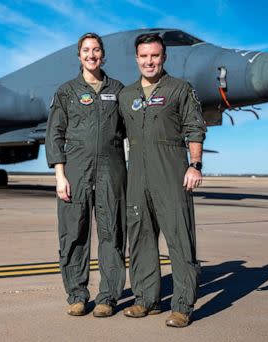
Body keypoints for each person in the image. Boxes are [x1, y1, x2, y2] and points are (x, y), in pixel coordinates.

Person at [118, 33, 206, 327]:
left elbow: (195, 127)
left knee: (180, 239)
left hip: (171, 172)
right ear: (136, 59)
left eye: (154, 56)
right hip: (137, 174)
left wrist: (195, 165)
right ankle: (146, 299)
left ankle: (182, 306)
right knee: (141, 238)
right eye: (144, 56)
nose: (149, 61)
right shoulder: (126, 95)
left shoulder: (180, 89)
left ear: (164, 57)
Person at [45, 33, 126, 317]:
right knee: (73, 235)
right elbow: (54, 134)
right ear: (79, 56)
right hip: (76, 172)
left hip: (111, 171)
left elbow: (133, 132)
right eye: (86, 50)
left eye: (96, 50)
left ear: (103, 55)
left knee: (112, 234)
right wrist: (60, 175)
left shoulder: (118, 90)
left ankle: (108, 296)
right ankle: (77, 295)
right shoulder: (66, 91)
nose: (92, 55)